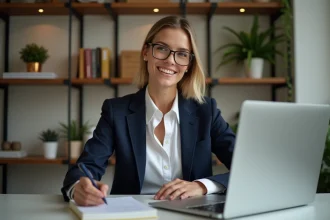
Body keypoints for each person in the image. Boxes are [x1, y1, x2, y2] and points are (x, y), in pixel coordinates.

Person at [61, 15, 236, 206]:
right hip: (132, 214)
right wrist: (79, 187)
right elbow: (86, 167)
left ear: (189, 65)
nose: (170, 60)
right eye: (161, 48)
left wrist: (202, 186)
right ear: (146, 52)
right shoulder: (116, 111)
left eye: (182, 54)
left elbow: (245, 167)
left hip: (193, 213)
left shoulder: (206, 111)